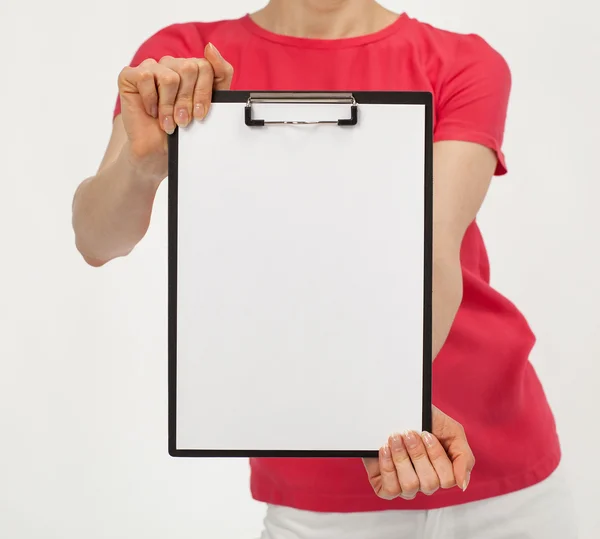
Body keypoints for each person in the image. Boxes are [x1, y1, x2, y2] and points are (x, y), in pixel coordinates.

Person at [71, 1, 577, 537]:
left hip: (501, 466)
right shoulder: (184, 58)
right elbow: (97, 238)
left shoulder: (461, 60)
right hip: (319, 492)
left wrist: (380, 407)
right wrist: (143, 164)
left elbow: (430, 251)